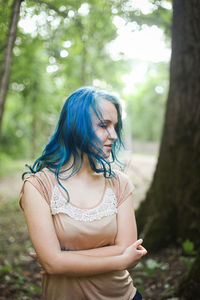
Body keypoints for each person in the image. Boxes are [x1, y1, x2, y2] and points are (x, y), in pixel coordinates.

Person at [19, 87, 147, 300]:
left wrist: (62, 259)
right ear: (76, 126)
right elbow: (52, 265)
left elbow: (127, 246)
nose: (113, 136)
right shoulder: (39, 185)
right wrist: (120, 260)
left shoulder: (119, 183)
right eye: (104, 125)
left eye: (115, 126)